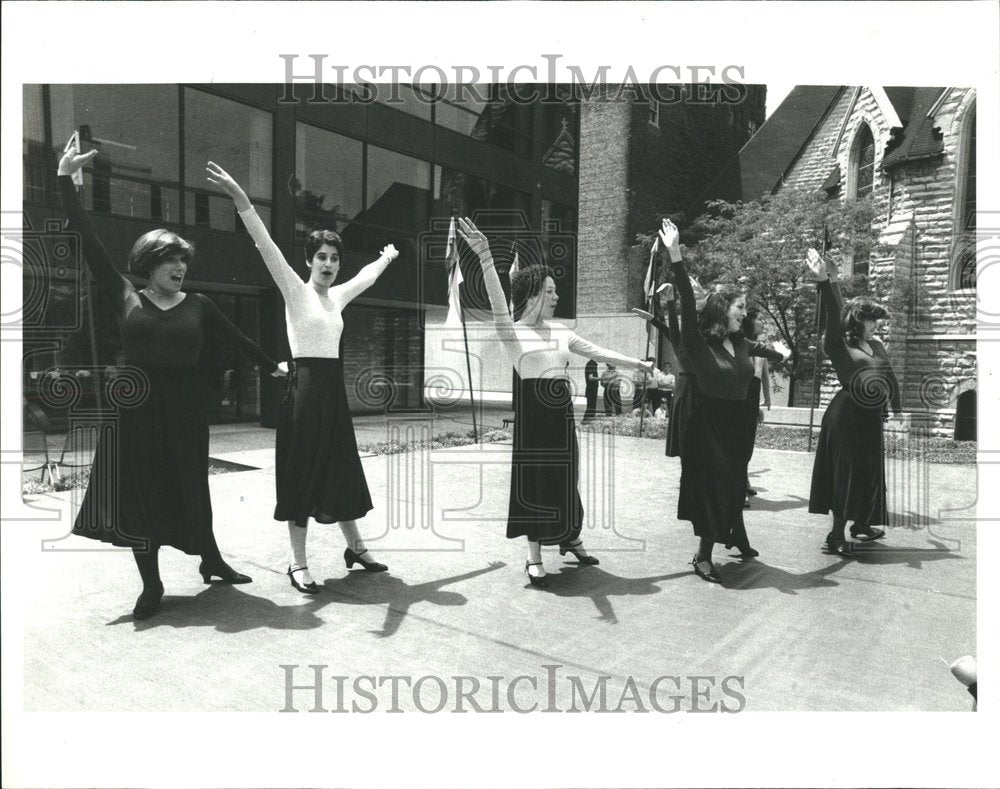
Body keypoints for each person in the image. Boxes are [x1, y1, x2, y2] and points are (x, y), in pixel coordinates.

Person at [58, 143, 286, 621]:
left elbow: (240, 339)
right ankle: (151, 584)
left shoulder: (199, 304)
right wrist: (65, 181)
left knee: (189, 487)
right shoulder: (125, 294)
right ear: (149, 262)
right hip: (134, 411)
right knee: (141, 494)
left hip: (183, 411)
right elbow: (89, 239)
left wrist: (274, 366)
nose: (180, 267)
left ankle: (212, 560)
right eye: (170, 260)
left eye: (183, 261)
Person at [208, 162, 398, 593]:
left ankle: (356, 548)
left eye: (334, 258)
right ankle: (297, 562)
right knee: (303, 474)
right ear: (309, 261)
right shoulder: (296, 290)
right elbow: (265, 244)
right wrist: (241, 201)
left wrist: (386, 256)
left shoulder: (339, 297)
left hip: (332, 394)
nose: (329, 264)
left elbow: (366, 276)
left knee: (341, 467)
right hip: (305, 393)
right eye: (322, 258)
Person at [457, 218, 654, 587]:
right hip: (534, 416)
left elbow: (600, 351)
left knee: (566, 478)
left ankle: (570, 537)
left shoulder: (562, 331)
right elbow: (498, 302)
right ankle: (533, 556)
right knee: (535, 482)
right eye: (550, 291)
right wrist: (485, 258)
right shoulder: (512, 332)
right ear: (533, 293)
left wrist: (638, 363)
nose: (556, 297)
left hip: (562, 414)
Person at [650, 219, 774, 582]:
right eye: (740, 307)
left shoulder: (739, 344)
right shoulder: (702, 344)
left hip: (737, 423)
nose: (745, 313)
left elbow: (762, 349)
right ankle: (703, 555)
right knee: (715, 484)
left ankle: (735, 536)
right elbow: (688, 307)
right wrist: (675, 256)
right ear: (723, 310)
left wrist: (781, 354)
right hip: (708, 425)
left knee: (736, 484)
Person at [804, 248, 903, 555]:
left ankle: (861, 523)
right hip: (845, 417)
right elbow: (835, 311)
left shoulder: (875, 345)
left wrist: (898, 410)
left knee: (868, 472)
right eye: (874, 320)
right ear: (860, 319)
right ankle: (835, 536)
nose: (878, 325)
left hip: (870, 417)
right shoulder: (837, 344)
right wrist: (827, 280)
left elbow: (889, 377)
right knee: (846, 475)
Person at [740, 308, 791, 507]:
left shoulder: (759, 348)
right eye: (760, 319)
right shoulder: (741, 345)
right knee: (739, 442)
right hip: (740, 396)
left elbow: (763, 375)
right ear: (749, 322)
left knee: (747, 443)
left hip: (752, 397)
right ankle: (738, 487)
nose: (763, 323)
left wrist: (765, 399)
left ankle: (743, 481)